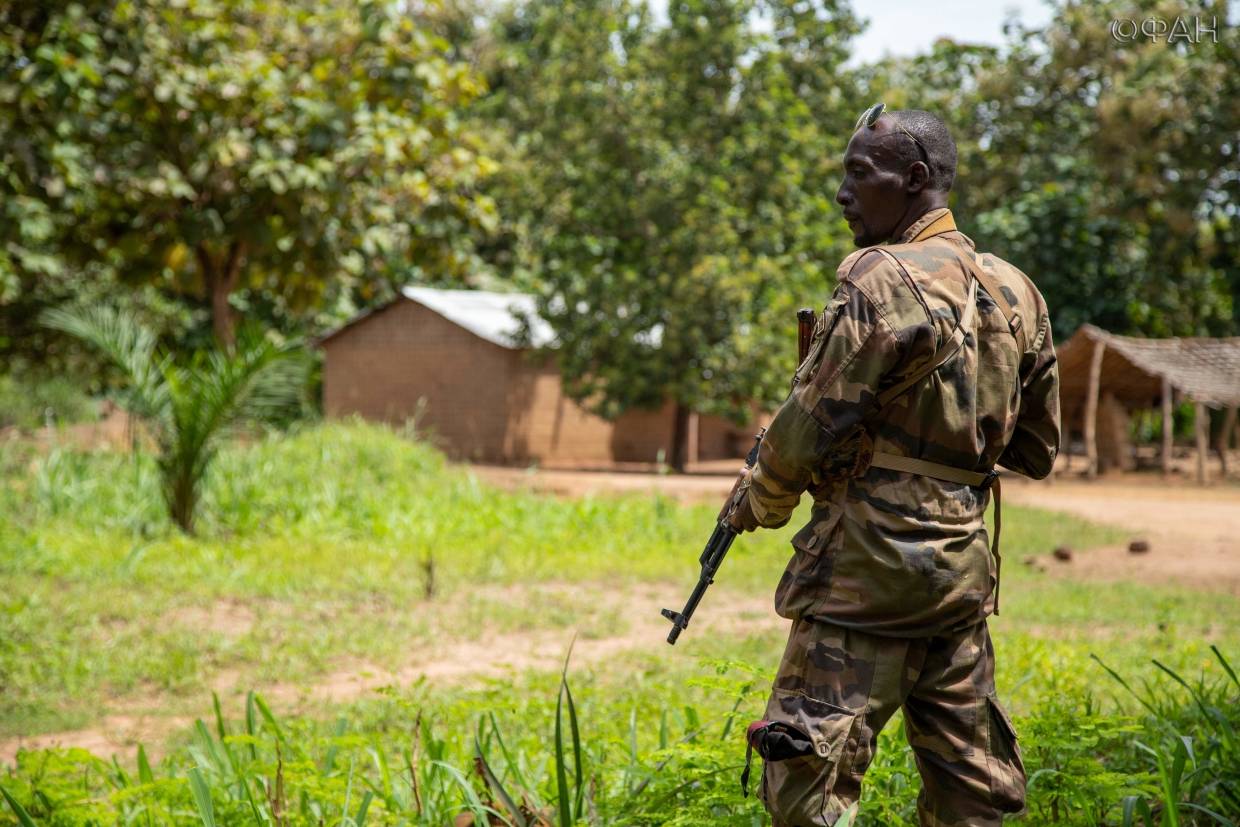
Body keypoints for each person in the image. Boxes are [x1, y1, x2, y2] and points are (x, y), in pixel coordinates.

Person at [723, 105, 1061, 826]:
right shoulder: (1018, 290)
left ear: (914, 180)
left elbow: (805, 426)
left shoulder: (878, 277)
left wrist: (756, 500)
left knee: (807, 783)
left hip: (862, 580)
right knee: (973, 794)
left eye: (858, 175)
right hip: (959, 587)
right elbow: (1036, 448)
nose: (843, 194)